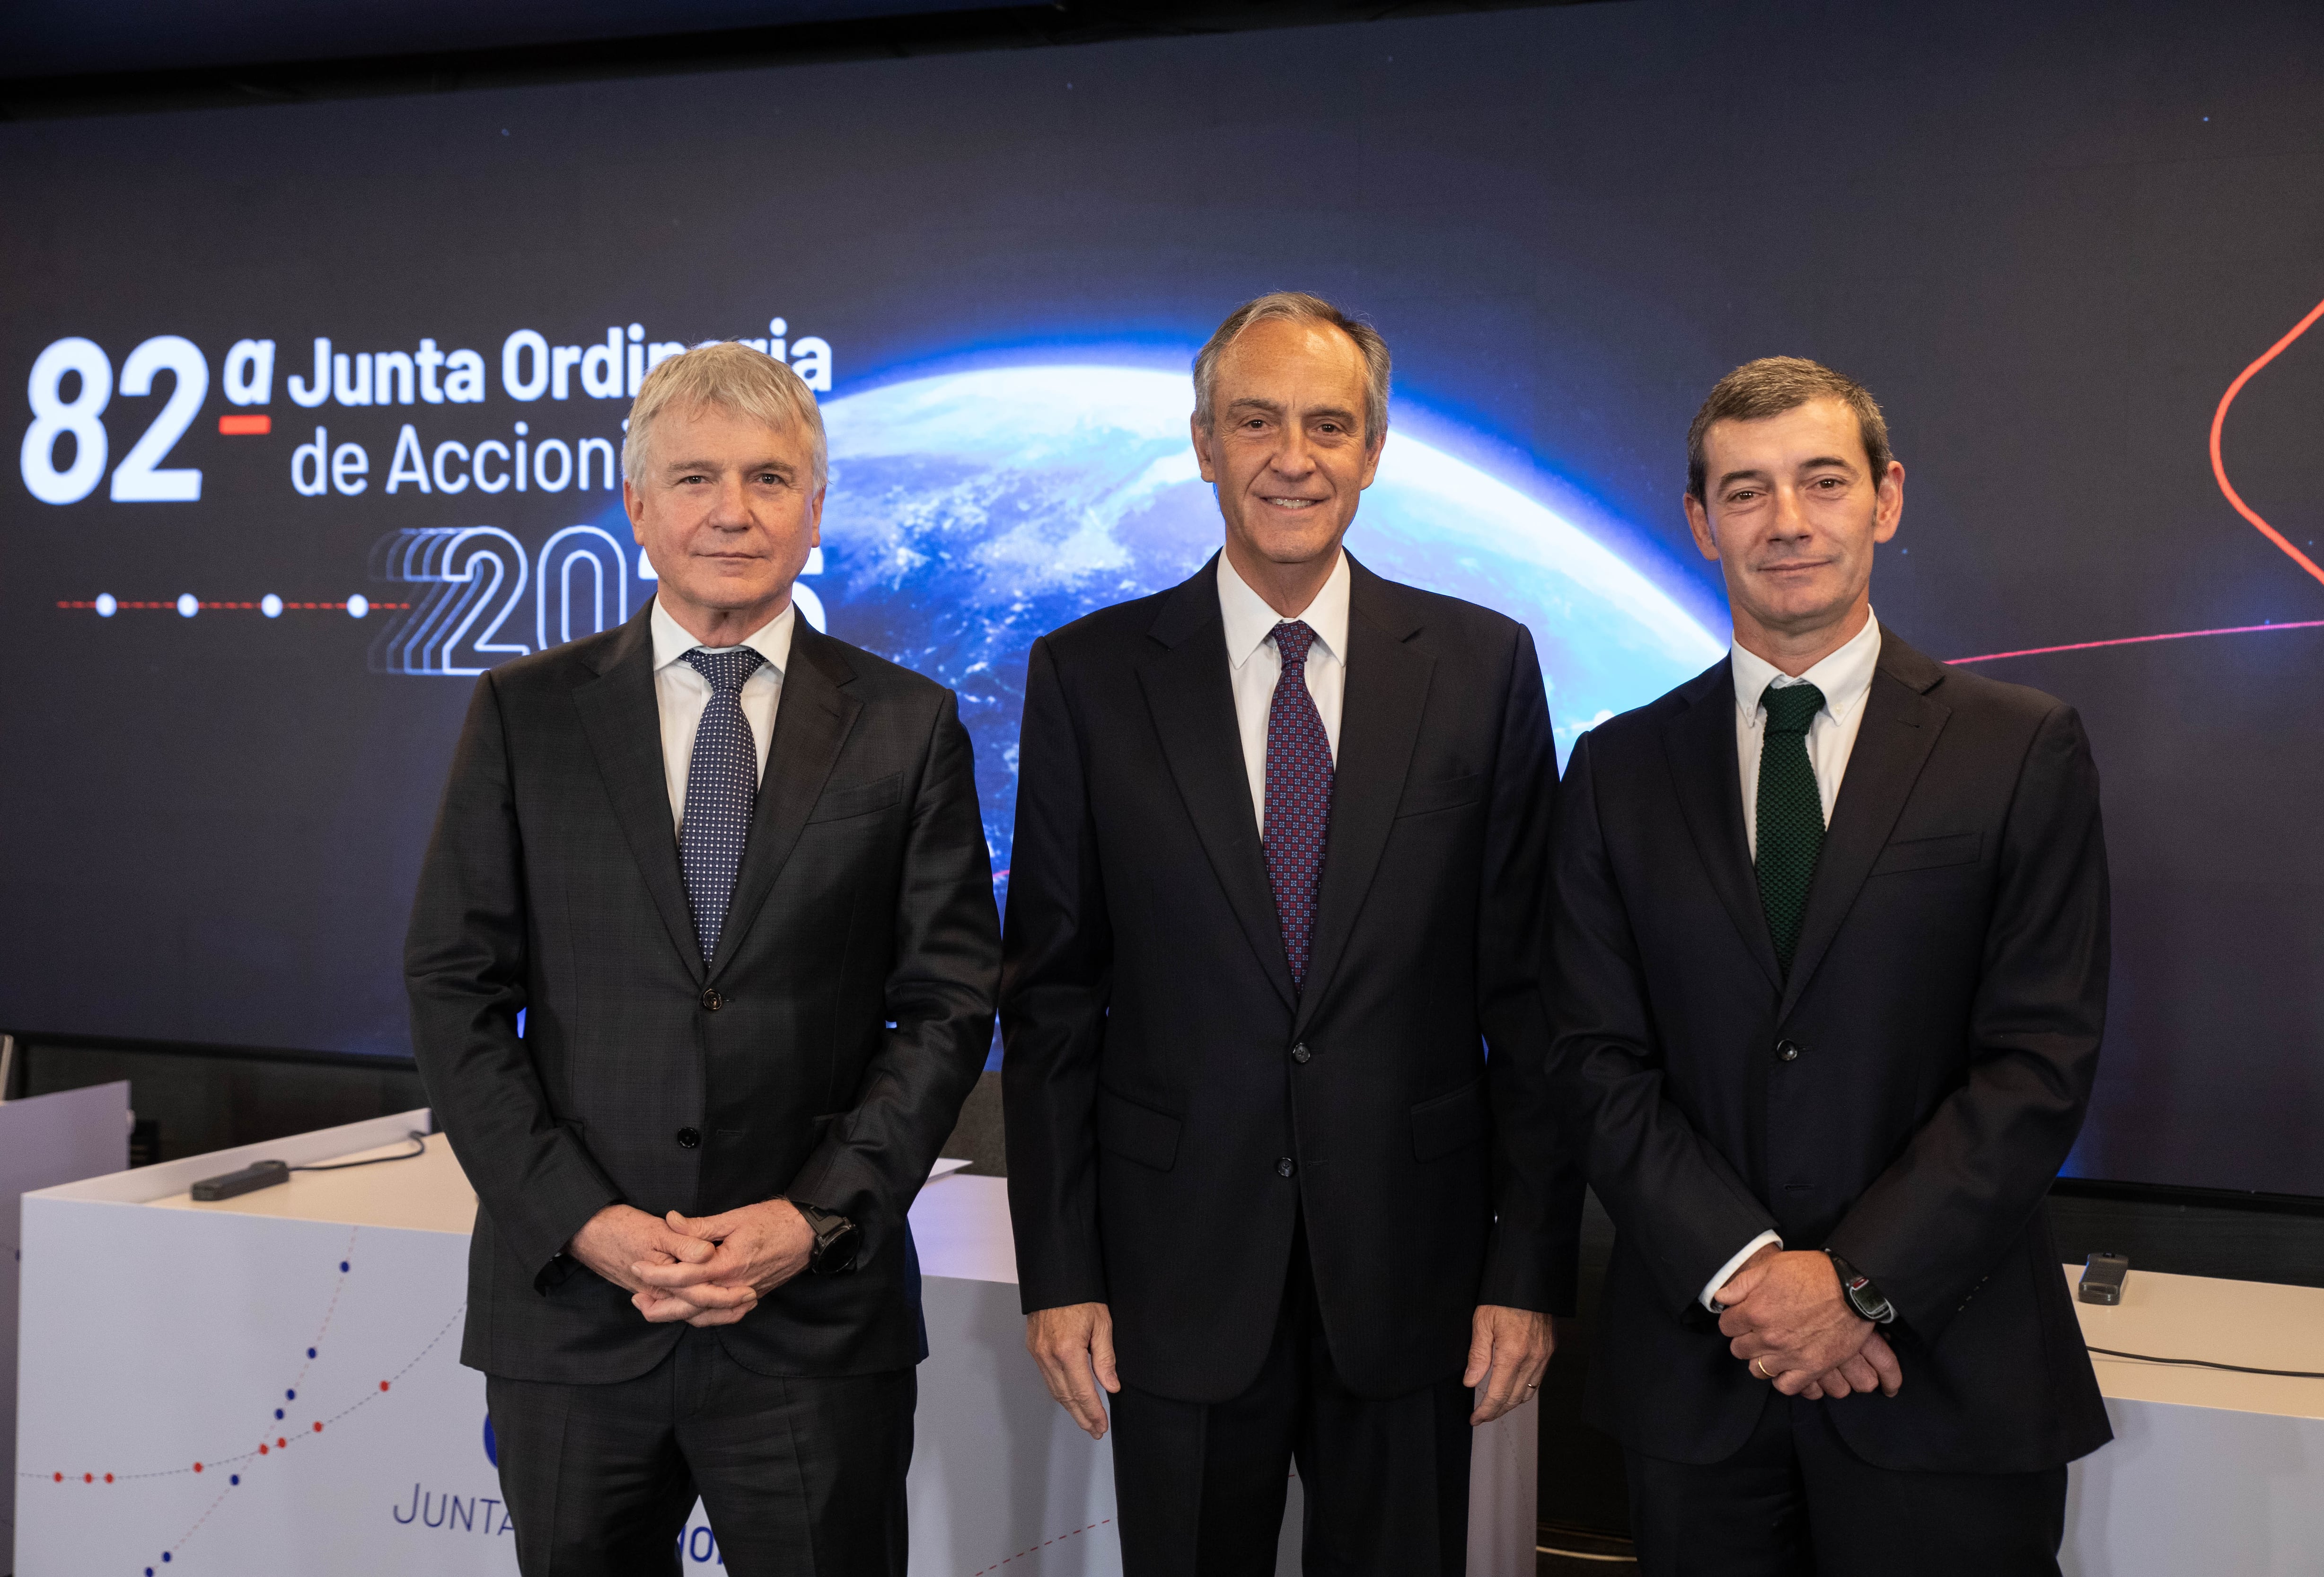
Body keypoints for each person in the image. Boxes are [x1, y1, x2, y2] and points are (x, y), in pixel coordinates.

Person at [405, 340, 1000, 1577]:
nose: (734, 509)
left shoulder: (907, 723)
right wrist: (585, 1222)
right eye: (696, 477)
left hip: (813, 1325)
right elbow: (456, 987)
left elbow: (947, 1002)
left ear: (816, 509)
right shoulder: (525, 712)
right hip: (576, 1315)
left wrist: (815, 1218)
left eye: (771, 478)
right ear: (637, 506)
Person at [998, 291, 1570, 1576]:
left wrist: (1527, 1264)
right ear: (1202, 441)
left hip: (1415, 1275)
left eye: (1327, 423)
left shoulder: (1481, 669)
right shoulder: (1088, 676)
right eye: (1255, 420)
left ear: (1373, 449)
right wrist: (1062, 1270)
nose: (1291, 457)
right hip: (1174, 1272)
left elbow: (1532, 1000)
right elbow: (1049, 1000)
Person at [1545, 356, 2111, 1573]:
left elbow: (2038, 1060)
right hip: (1706, 1381)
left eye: (1821, 481)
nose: (1787, 521)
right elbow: (1594, 1058)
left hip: (1944, 1374)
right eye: (1745, 492)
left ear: (1885, 498)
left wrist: (1854, 1285)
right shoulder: (1614, 772)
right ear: (1700, 523)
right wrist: (1755, 1277)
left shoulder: (2018, 750)